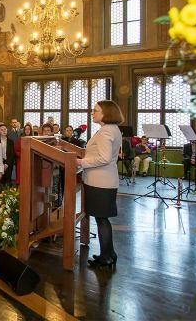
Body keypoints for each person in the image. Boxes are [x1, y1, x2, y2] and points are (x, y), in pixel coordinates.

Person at [76, 100, 124, 269]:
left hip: (100, 181)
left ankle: (106, 258)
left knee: (102, 220)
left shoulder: (105, 132)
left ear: (106, 113)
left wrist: (81, 162)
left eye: (95, 110)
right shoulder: (112, 130)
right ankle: (109, 253)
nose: (92, 113)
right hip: (105, 180)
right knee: (102, 219)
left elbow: (103, 158)